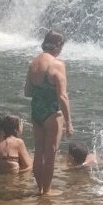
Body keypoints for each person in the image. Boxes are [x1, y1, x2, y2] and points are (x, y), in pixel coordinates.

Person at [26, 30, 73, 195]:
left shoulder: (34, 63)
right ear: (58, 46)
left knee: (38, 151)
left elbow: (27, 92)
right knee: (51, 152)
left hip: (36, 110)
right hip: (52, 112)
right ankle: (46, 191)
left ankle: (39, 188)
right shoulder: (57, 64)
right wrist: (69, 123)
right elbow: (62, 96)